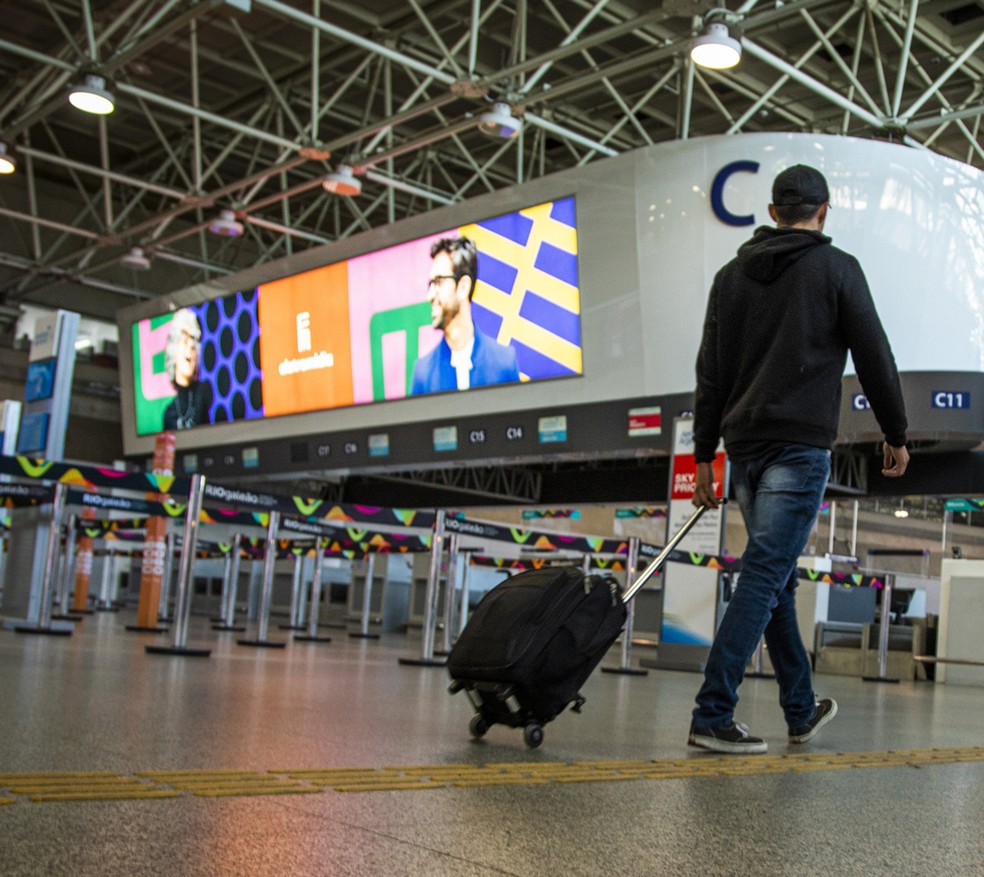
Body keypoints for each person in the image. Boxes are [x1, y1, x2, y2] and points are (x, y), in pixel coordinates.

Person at [688, 164, 910, 754]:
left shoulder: (729, 279)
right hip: (798, 447)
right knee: (764, 573)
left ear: (771, 211)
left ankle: (800, 708)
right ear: (823, 211)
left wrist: (704, 456)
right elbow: (875, 356)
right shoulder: (837, 270)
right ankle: (713, 711)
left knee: (776, 577)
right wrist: (896, 431)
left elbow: (709, 376)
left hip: (744, 449)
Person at [410, 236, 520, 395]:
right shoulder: (423, 373)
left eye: (439, 282)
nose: (430, 295)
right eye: (430, 284)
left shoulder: (504, 362)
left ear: (463, 287)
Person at [162, 308, 212, 430]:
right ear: (173, 348)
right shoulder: (169, 413)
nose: (189, 354)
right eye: (185, 343)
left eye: (193, 347)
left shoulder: (204, 392)